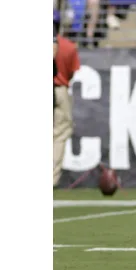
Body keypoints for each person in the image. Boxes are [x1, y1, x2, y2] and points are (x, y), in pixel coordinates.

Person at [53, 27, 81, 187]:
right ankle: (52, 178)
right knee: (60, 134)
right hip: (59, 89)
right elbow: (71, 72)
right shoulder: (68, 46)